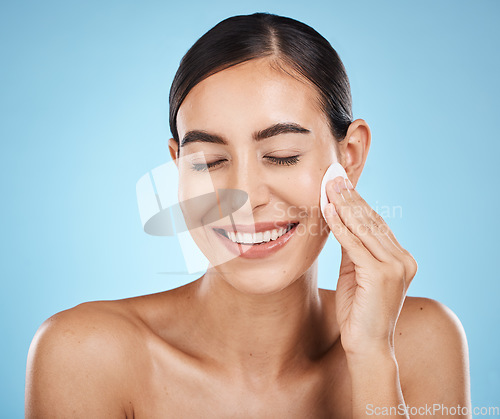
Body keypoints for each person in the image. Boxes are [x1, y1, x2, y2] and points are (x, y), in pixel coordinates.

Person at [25, 12, 471, 418]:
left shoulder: (423, 342)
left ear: (350, 156)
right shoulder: (83, 353)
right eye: (208, 162)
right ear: (177, 165)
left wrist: (373, 357)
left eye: (281, 155)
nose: (244, 196)